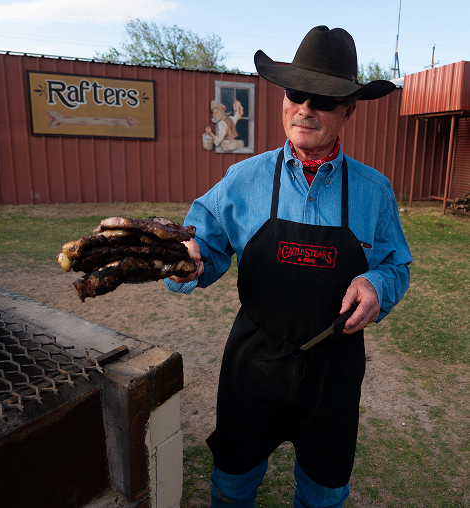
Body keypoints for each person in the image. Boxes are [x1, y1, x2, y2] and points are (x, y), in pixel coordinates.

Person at [165, 26, 412, 508]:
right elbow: (203, 249)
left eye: (323, 99)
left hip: (333, 374)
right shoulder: (243, 179)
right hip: (254, 365)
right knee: (232, 487)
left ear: (349, 110)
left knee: (324, 495)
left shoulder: (373, 191)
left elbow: (396, 264)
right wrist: (186, 263)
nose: (305, 108)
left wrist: (377, 283)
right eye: (297, 93)